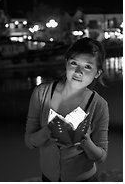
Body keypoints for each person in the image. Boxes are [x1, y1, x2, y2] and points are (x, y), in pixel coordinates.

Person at [25, 37, 109, 182]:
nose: (78, 71)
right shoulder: (41, 93)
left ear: (97, 73)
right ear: (66, 63)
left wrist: (86, 143)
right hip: (48, 179)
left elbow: (101, 156)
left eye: (87, 66)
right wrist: (46, 133)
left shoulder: (99, 105)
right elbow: (29, 141)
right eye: (73, 63)